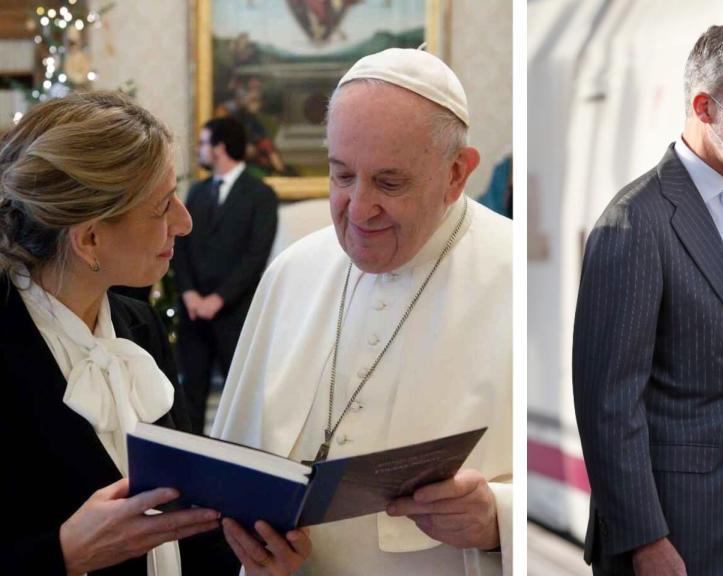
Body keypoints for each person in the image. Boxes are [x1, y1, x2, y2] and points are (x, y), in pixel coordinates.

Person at [211, 47, 512, 575]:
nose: (359, 208)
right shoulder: (293, 272)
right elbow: (229, 475)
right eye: (342, 176)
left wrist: (497, 519)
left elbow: (589, 480)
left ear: (456, 174)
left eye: (389, 183)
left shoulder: (518, 278)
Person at [0, 91, 309, 575]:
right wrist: (65, 554)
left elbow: (183, 523)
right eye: (163, 206)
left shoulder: (139, 326)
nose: (184, 223)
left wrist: (254, 560)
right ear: (90, 238)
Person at [573, 24, 723, 576]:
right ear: (703, 106)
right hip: (672, 532)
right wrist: (645, 539)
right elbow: (608, 403)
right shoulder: (634, 221)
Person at [172, 116, 278, 433]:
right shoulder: (197, 192)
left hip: (234, 315)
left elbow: (255, 257)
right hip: (193, 314)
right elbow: (180, 247)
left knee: (239, 402)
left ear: (219, 147)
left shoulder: (260, 195)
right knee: (189, 399)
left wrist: (218, 300)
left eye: (204, 143)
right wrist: (189, 294)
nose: (200, 149)